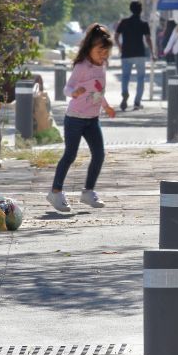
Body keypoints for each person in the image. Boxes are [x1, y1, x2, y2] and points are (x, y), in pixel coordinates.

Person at [46, 24, 116, 213]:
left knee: (99, 154)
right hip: (75, 118)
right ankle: (56, 191)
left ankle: (88, 191)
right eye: (100, 51)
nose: (103, 55)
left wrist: (106, 106)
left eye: (106, 52)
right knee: (70, 155)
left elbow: (98, 91)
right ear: (89, 48)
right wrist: (74, 93)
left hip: (93, 119)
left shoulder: (102, 66)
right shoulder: (82, 66)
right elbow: (66, 88)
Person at [115, 1, 156, 111]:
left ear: (130, 9)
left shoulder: (124, 22)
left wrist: (120, 47)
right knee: (141, 78)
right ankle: (137, 102)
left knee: (125, 77)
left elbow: (116, 36)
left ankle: (124, 92)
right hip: (139, 53)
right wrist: (152, 52)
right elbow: (148, 39)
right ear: (140, 10)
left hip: (126, 53)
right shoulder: (143, 24)